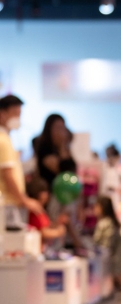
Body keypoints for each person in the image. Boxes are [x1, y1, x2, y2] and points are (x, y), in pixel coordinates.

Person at [0, 94, 42, 228]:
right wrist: (25, 200)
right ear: (2, 114)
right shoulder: (3, 140)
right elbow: (7, 176)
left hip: (9, 202)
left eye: (19, 114)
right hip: (7, 203)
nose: (18, 119)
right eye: (15, 114)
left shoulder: (6, 138)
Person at [93, 196, 121, 293]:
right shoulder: (110, 221)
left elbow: (101, 242)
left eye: (96, 206)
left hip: (112, 257)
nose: (94, 209)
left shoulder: (105, 223)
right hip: (115, 256)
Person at [36, 113, 76, 187]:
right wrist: (62, 145)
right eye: (58, 128)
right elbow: (65, 173)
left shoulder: (64, 149)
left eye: (63, 128)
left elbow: (72, 170)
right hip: (51, 190)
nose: (62, 132)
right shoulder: (44, 149)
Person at [26, 177, 67, 247]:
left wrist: (57, 222)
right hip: (35, 246)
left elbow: (46, 226)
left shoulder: (41, 209)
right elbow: (42, 232)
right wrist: (58, 232)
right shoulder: (32, 210)